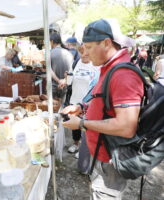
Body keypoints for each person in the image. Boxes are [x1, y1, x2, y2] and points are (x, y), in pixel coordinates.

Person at [62, 19, 144, 199]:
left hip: (111, 160)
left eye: (90, 47)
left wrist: (83, 123)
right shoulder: (109, 68)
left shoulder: (123, 75)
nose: (86, 52)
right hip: (102, 154)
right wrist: (81, 107)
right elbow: (104, 103)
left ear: (106, 43)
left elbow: (126, 126)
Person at [66, 45, 100, 157]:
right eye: (81, 52)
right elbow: (69, 82)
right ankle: (76, 144)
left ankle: (84, 149)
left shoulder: (96, 66)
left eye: (86, 52)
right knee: (75, 127)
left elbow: (98, 85)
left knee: (86, 127)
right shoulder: (76, 63)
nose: (84, 54)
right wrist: (66, 78)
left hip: (88, 103)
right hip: (74, 100)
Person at [50, 33, 73, 101]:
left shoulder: (50, 53)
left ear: (52, 41)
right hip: (65, 87)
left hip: (54, 87)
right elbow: (71, 71)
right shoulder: (69, 53)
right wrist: (63, 81)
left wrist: (58, 81)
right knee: (63, 108)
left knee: (52, 109)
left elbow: (49, 71)